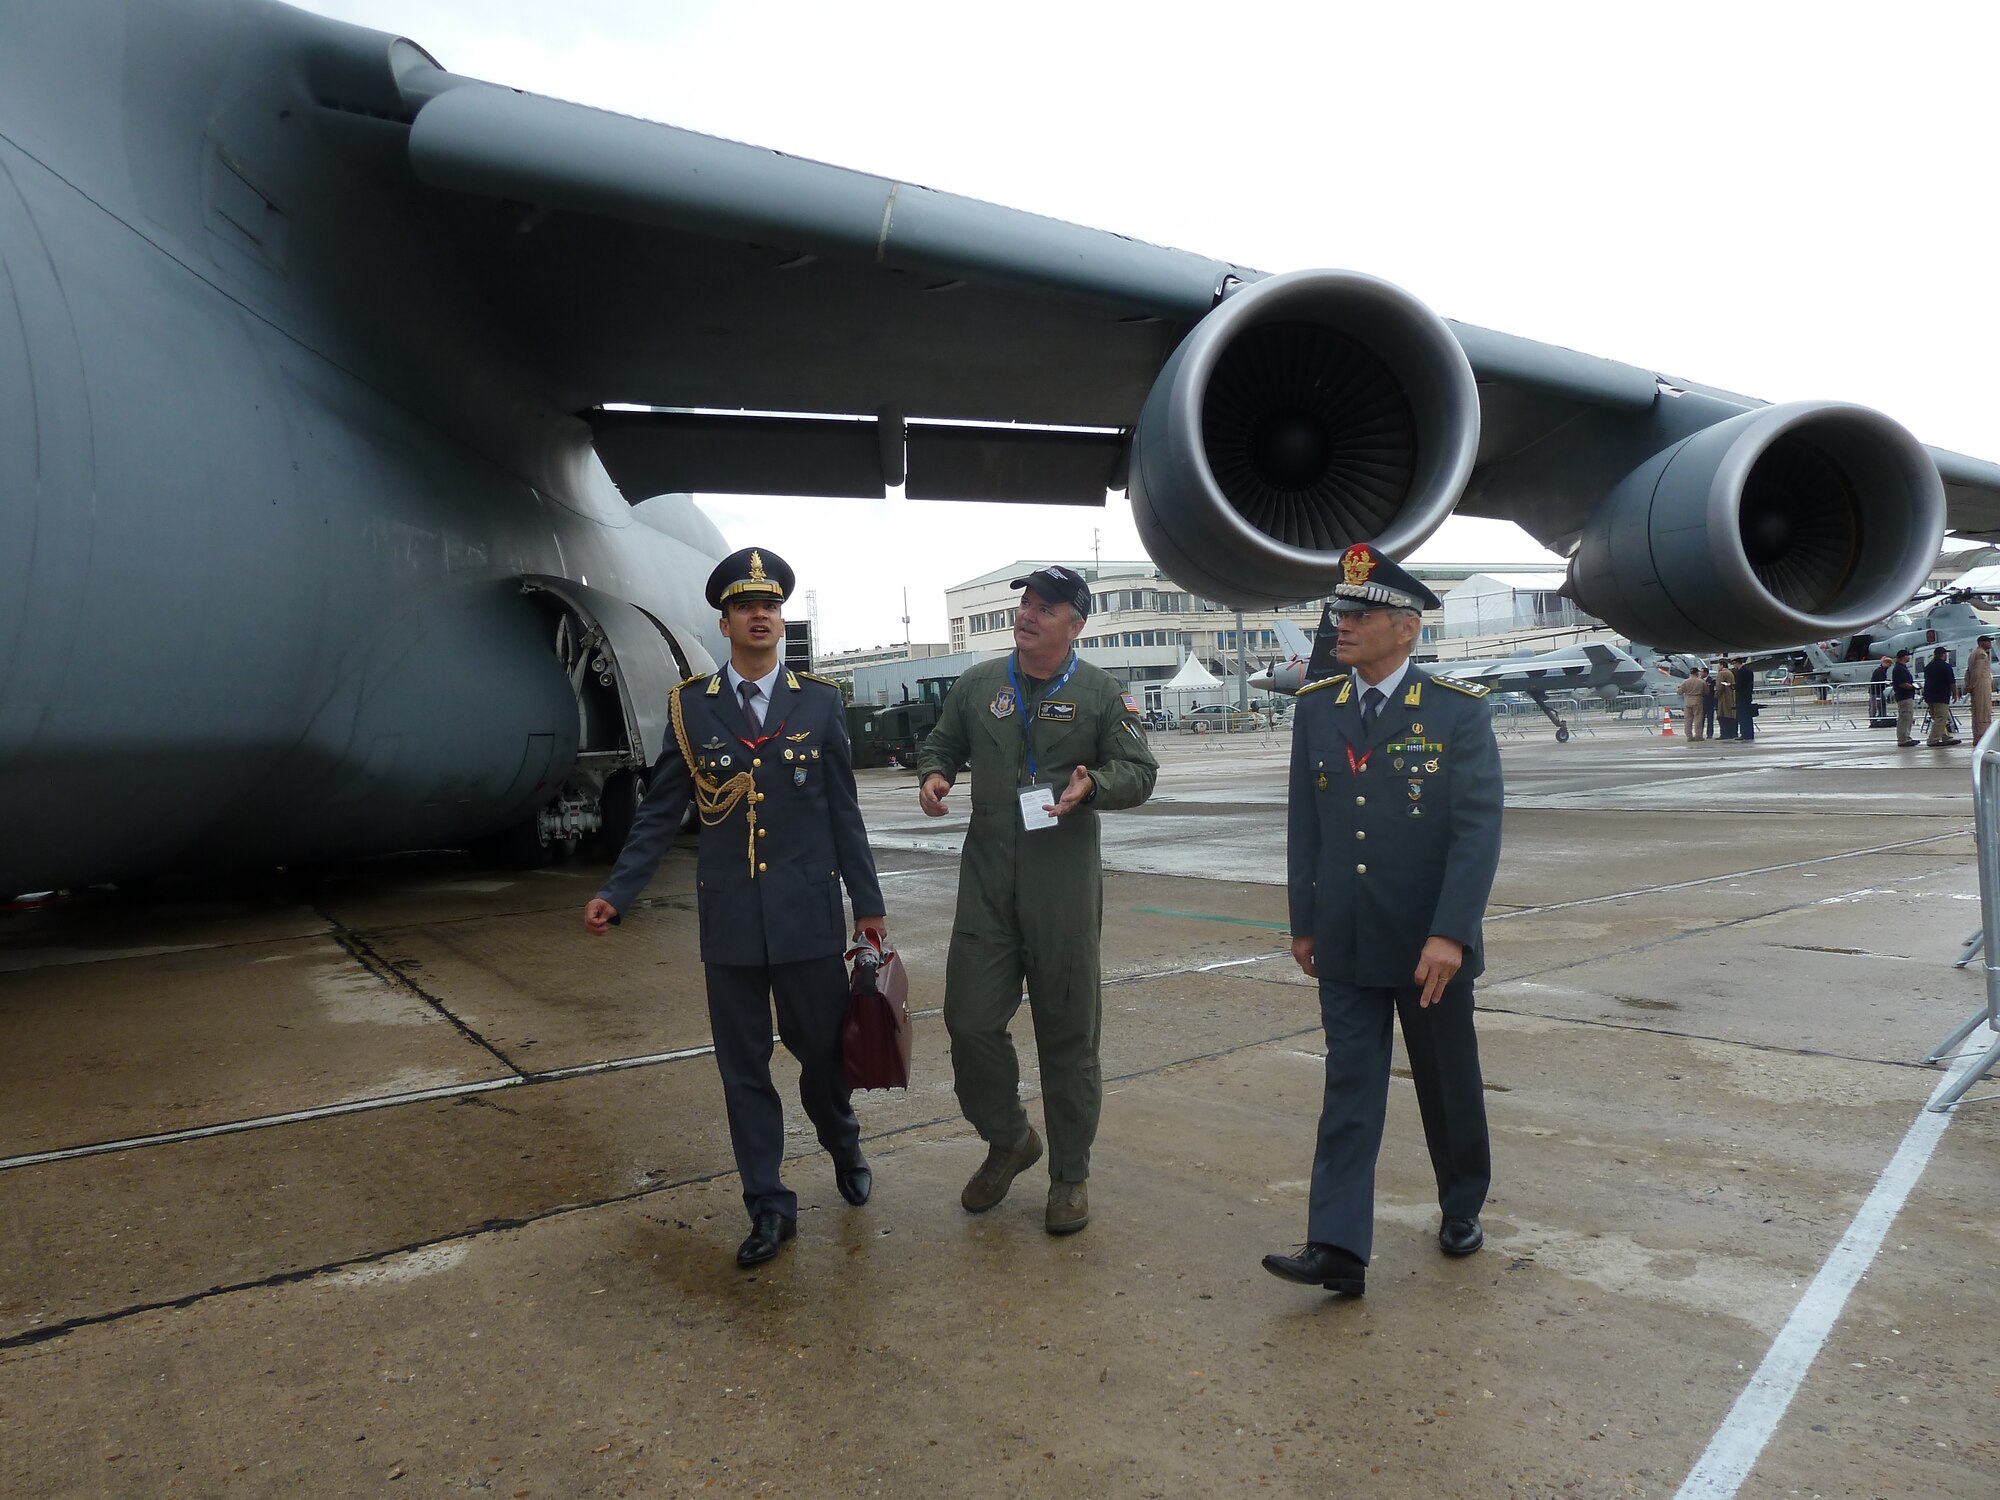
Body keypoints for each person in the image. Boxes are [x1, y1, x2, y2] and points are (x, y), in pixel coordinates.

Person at [584, 548, 886, 1269]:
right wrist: (615, 891)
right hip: (730, 928)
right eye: (747, 607)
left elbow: (844, 814)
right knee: (743, 1072)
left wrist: (866, 905)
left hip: (809, 920)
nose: (761, 616)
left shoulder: (819, 701)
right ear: (724, 623)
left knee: (820, 1058)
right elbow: (660, 813)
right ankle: (768, 1207)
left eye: (772, 607)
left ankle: (841, 1140)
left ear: (782, 621)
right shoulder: (692, 708)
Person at [1263, 544, 1504, 1298]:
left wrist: (1452, 933)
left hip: (1427, 940)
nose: (1341, 626)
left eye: (1358, 615)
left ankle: (1461, 1204)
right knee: (1351, 1087)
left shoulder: (1455, 712)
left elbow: (1477, 830)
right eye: (1339, 612)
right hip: (1345, 935)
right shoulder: (1317, 711)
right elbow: (1307, 822)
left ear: (1406, 628)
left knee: (1445, 1081)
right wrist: (1305, 920)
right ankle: (1337, 1245)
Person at [915, 564, 1158, 1235]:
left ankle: (1070, 1175)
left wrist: (1094, 786)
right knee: (968, 1021)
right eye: (1025, 604)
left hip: (1062, 887)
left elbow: (1141, 771)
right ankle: (1010, 1138)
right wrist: (934, 775)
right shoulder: (978, 686)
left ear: (1073, 625)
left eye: (1045, 608)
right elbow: (942, 743)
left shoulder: (1103, 695)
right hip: (987, 883)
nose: (1026, 615)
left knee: (1068, 1035)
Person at [1923, 646, 1962, 747]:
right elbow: (1951, 682)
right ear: (1943, 655)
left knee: (1937, 717)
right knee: (1941, 717)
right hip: (1941, 695)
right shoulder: (1945, 666)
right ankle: (1933, 739)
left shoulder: (1928, 667)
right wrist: (1955, 693)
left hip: (1929, 695)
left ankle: (1945, 736)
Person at [1966, 637, 1993, 744]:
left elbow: (1968, 671)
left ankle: (1976, 737)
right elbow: (1978, 671)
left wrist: (1968, 684)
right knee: (1984, 710)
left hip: (1976, 685)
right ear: (1981, 643)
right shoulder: (1981, 654)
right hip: (1981, 685)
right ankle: (1983, 737)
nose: (1990, 643)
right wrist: (1973, 684)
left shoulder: (1973, 654)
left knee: (1976, 711)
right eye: (1988, 641)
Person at [1891, 649, 1919, 746]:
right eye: (1907, 656)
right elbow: (1902, 683)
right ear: (1903, 657)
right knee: (1904, 717)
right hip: (1904, 697)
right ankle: (1903, 739)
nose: (1909, 657)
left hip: (1907, 696)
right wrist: (1913, 687)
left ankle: (1907, 737)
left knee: (1908, 718)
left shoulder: (1902, 668)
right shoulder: (1899, 669)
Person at [1676, 669, 1707, 741]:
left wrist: (1677, 689)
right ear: (1697, 673)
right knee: (1698, 719)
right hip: (1698, 700)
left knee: (1688, 720)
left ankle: (1689, 736)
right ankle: (1698, 736)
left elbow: (1680, 692)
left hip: (1687, 701)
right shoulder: (1701, 681)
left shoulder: (1685, 682)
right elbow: (1706, 692)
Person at [1733, 657, 1756, 741]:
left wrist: (1732, 686)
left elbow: (1740, 685)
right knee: (1748, 716)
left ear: (1737, 663)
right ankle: (1750, 734)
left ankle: (1744, 734)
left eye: (1734, 664)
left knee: (1742, 716)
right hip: (1748, 696)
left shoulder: (1741, 672)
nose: (1734, 666)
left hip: (1742, 697)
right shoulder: (1749, 670)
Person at [1715, 660, 1737, 739]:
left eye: (1718, 665)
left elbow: (1719, 686)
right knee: (1731, 716)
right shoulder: (1730, 673)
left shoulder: (1722, 673)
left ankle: (1724, 734)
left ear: (1721, 665)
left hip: (1723, 698)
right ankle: (1733, 733)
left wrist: (1716, 695)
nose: (1717, 667)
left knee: (1722, 716)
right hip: (1731, 697)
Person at [1868, 657, 1892, 725]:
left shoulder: (1881, 670)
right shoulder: (1880, 671)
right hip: (1875, 692)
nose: (1889, 666)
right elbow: (1879, 680)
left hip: (1878, 691)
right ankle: (1874, 720)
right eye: (1889, 664)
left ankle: (1881, 719)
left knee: (1880, 705)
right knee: (1875, 706)